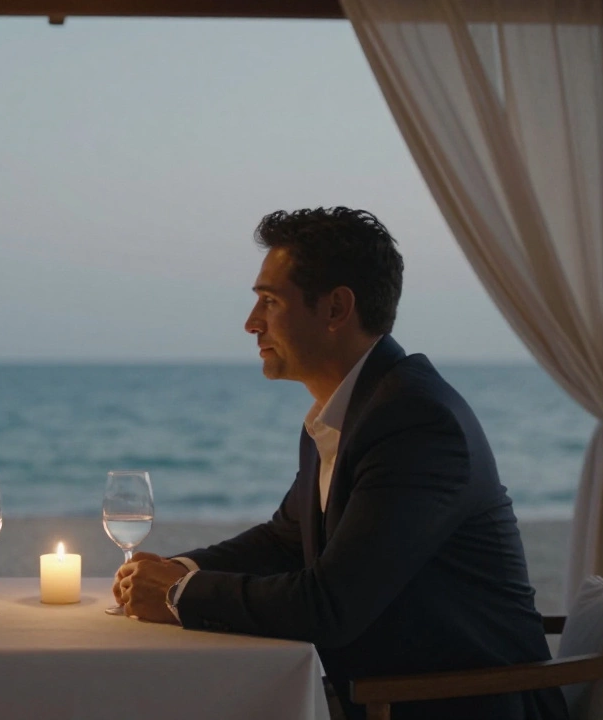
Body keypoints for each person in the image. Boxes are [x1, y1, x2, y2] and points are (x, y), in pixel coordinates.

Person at [113, 208, 567, 720]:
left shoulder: (415, 421)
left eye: (269, 301)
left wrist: (179, 595)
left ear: (335, 308)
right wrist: (181, 567)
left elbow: (330, 606)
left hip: (455, 705)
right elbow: (284, 540)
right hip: (388, 695)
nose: (250, 324)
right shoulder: (351, 411)